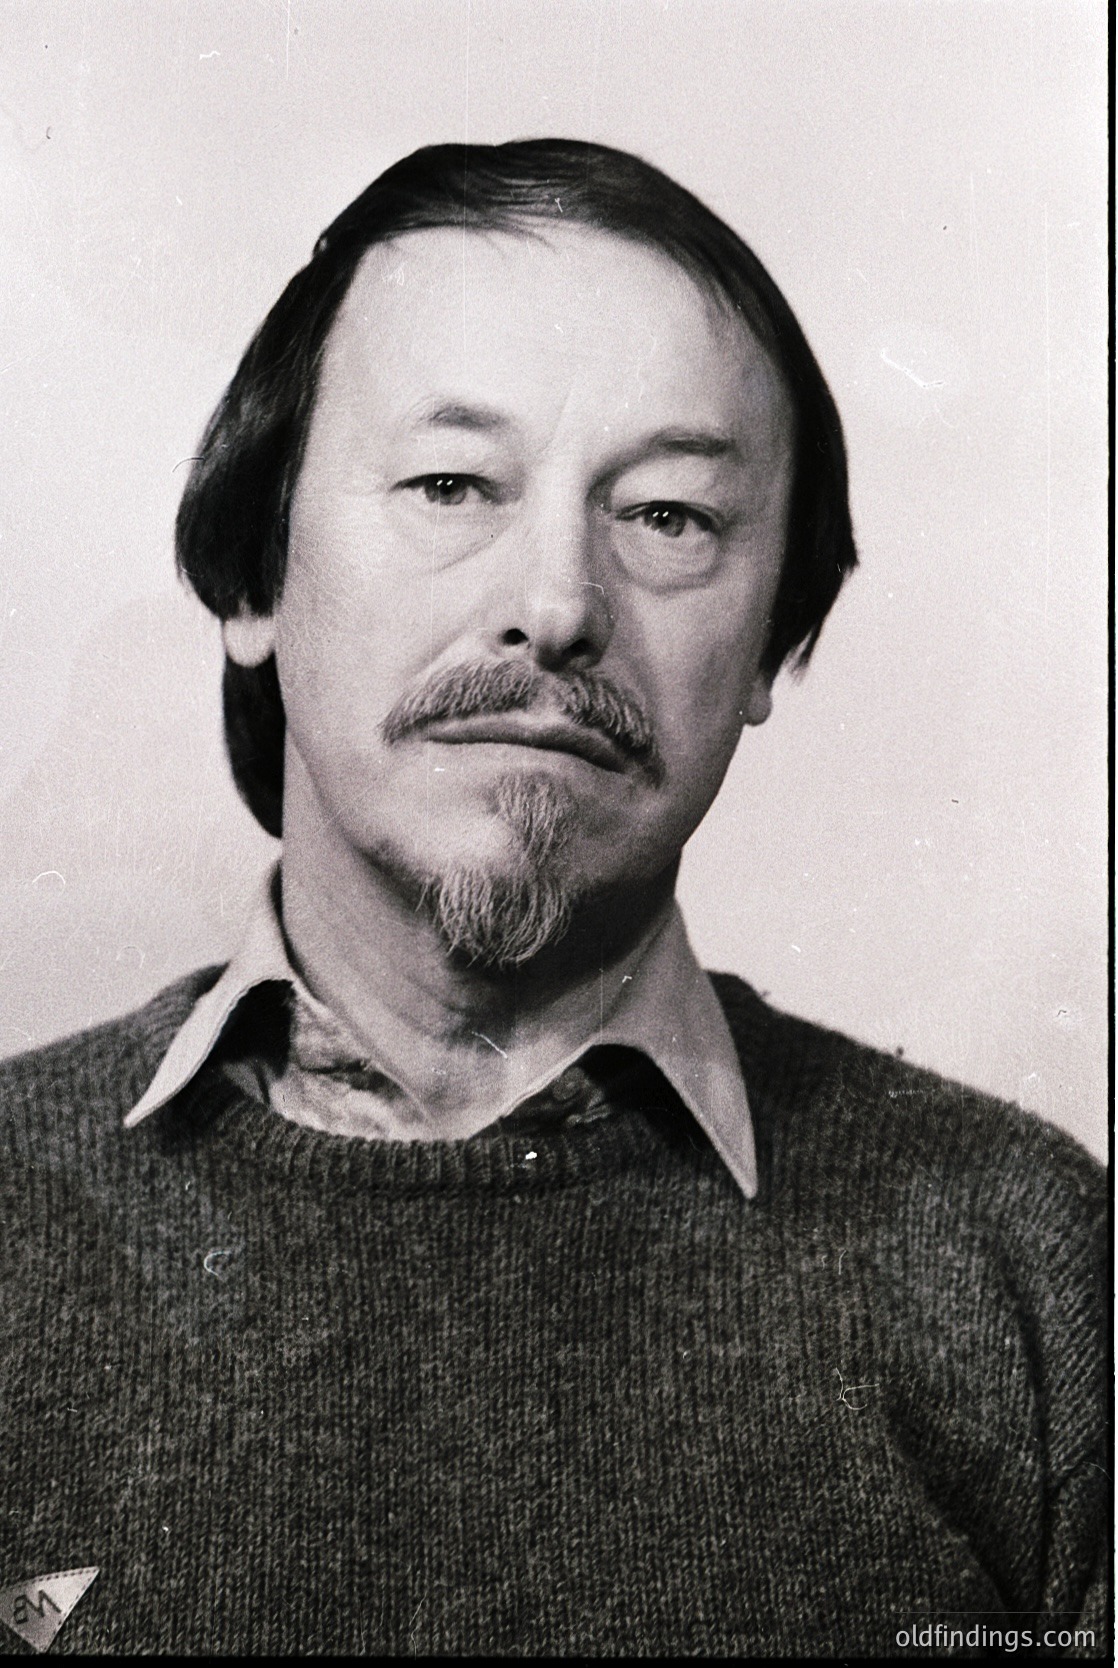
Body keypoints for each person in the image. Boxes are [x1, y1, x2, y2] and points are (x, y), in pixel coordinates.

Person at [0, 140, 1106, 1658]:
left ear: (777, 647)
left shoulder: (1035, 1269)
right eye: (451, 482)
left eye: (666, 516)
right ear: (254, 576)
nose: (560, 605)